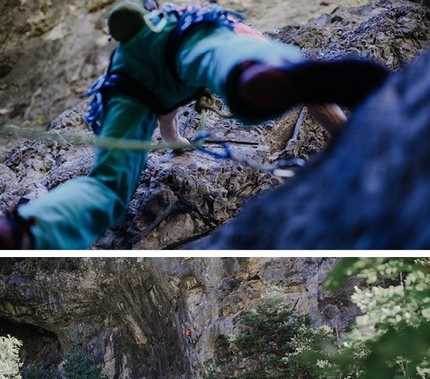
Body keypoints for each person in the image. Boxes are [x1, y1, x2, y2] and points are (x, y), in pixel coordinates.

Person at [0, 0, 388, 250]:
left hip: (127, 76)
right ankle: (249, 75)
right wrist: (343, 133)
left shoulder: (130, 49)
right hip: (185, 36)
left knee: (105, 185)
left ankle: (29, 229)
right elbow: (310, 92)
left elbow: (167, 125)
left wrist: (178, 141)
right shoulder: (215, 22)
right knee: (235, 62)